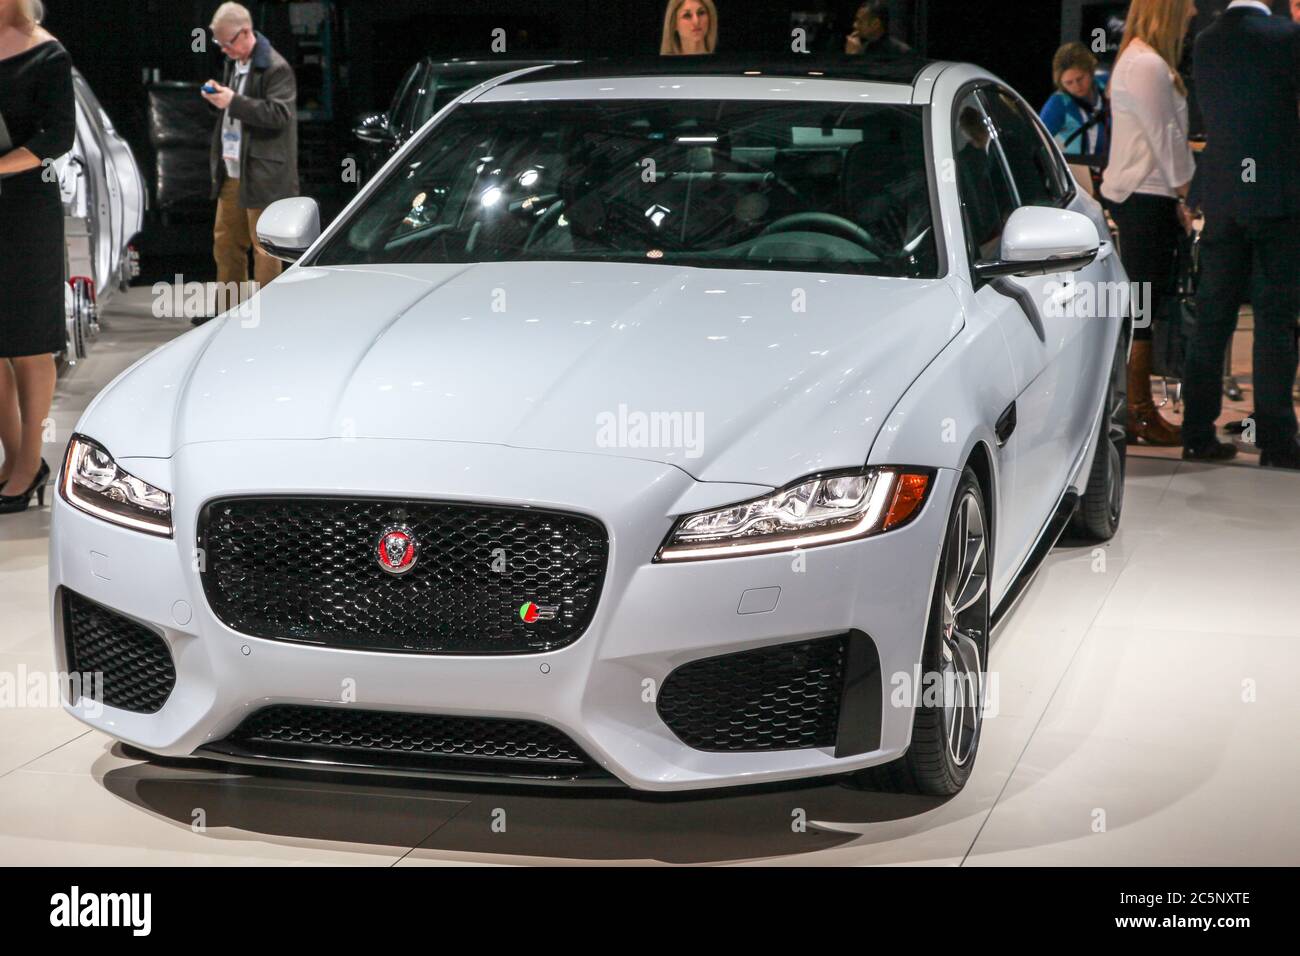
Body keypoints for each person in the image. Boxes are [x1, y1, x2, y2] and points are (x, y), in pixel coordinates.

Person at [1182, 0, 1300, 467]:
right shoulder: (1286, 36)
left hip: (1224, 198)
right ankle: (1276, 442)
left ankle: (1196, 434)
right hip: (1278, 197)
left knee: (1212, 322)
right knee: (1274, 323)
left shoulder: (1206, 41)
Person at [1100, 0, 1198, 447]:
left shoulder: (1140, 60)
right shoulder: (1147, 64)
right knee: (1143, 308)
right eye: (1189, 4)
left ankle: (1136, 409)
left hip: (1147, 196)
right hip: (1147, 198)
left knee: (1144, 308)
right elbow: (1166, 138)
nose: (1196, 11)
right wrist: (1187, 194)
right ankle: (1137, 412)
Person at [0, 0, 73, 515]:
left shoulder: (47, 54)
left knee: (28, 342)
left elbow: (57, 136)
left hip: (26, 211)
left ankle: (29, 464)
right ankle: (12, 460)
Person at [202, 2, 298, 305]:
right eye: (218, 43)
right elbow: (236, 106)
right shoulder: (236, 63)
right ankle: (230, 314)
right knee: (227, 244)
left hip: (264, 174)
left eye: (226, 43)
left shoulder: (275, 67)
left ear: (245, 33)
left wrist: (233, 101)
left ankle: (270, 315)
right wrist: (218, 98)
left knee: (265, 249)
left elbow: (279, 114)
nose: (223, 50)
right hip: (232, 170)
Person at [1040, 42, 1110, 160]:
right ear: (1060, 83)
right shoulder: (1058, 104)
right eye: (1069, 83)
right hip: (1076, 174)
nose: (1077, 86)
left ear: (1091, 71)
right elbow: (1037, 142)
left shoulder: (1107, 84)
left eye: (1080, 78)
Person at [845, 0, 912, 56]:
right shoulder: (863, 48)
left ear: (876, 24)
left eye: (860, 22)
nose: (854, 25)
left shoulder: (901, 51)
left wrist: (854, 56)